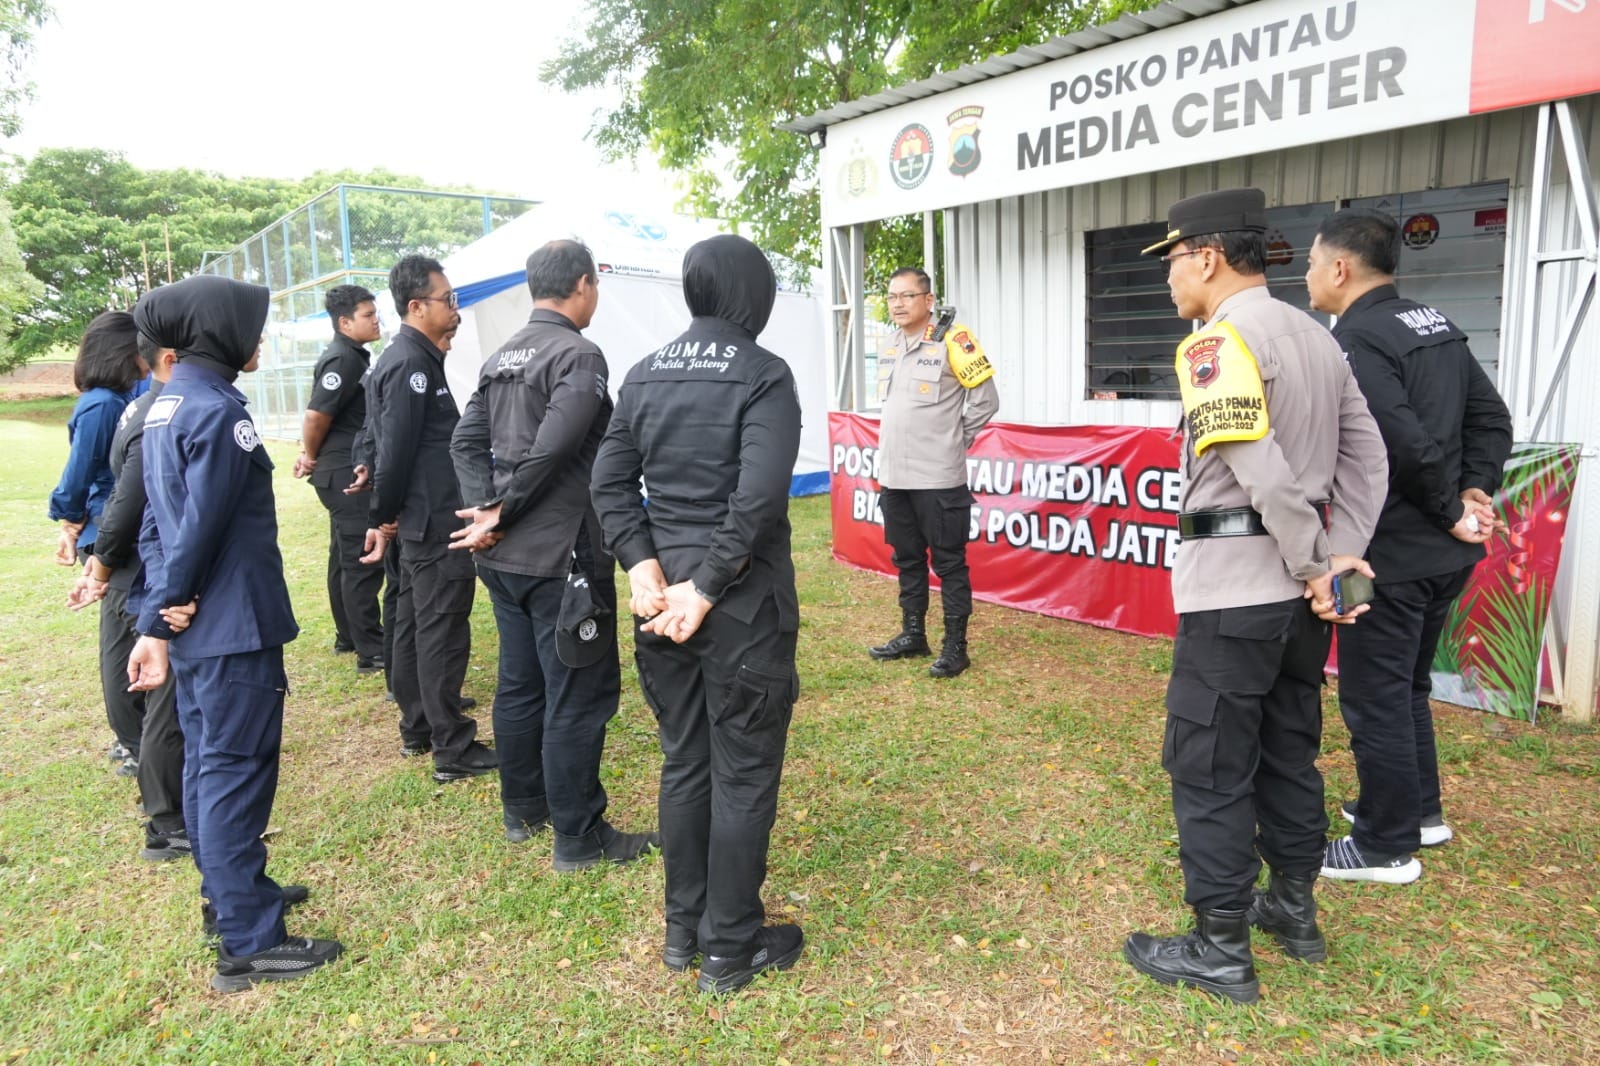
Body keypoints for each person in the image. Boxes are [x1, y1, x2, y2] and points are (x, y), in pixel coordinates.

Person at [1121, 188, 1387, 1004]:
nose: (1168, 278)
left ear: (1205, 256)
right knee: (1286, 748)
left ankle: (1219, 946)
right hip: (1302, 602)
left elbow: (1255, 463)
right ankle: (1293, 910)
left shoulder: (1214, 344)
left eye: (1171, 260)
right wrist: (1341, 557)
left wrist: (1314, 562)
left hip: (1238, 589)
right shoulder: (1318, 335)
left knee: (1207, 764)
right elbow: (1368, 456)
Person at [591, 234, 804, 994]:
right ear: (753, 294)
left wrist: (646, 567)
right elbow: (757, 497)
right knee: (741, 772)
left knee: (686, 758)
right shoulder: (763, 374)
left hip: (662, 601)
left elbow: (609, 483)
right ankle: (729, 948)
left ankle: (684, 933)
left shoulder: (645, 373)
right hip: (737, 606)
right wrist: (706, 585)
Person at [127, 275, 341, 991]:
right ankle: (251, 943)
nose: (260, 342)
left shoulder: (165, 404)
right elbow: (202, 521)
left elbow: (157, 523)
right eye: (253, 328)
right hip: (229, 622)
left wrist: (164, 602)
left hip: (199, 623)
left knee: (205, 766)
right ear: (222, 332)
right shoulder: (218, 412)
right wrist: (173, 599)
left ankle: (232, 900)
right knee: (234, 770)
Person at [1305, 208, 1513, 883]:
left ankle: (1384, 845)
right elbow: (1492, 418)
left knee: (1374, 695)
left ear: (1340, 268)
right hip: (1445, 558)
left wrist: (1456, 505)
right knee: (1408, 687)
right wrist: (1477, 491)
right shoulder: (1434, 324)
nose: (1307, 276)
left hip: (1382, 555)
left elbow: (1398, 441)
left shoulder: (1358, 339)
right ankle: (1418, 811)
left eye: (1310, 263)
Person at [450, 239, 657, 867]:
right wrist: (500, 509)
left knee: (520, 682)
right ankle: (579, 834)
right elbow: (555, 447)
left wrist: (486, 509)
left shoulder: (500, 355)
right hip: (562, 558)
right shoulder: (578, 354)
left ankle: (524, 810)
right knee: (576, 692)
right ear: (584, 285)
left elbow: (465, 441)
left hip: (503, 555)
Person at [362, 254, 494, 782]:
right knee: (440, 629)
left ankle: (419, 724)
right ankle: (452, 747)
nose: (455, 309)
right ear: (417, 307)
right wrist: (383, 515)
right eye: (448, 300)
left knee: (417, 625)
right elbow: (393, 453)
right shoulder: (410, 365)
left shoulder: (411, 358)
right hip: (432, 521)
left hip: (422, 518)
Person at [67, 331, 188, 862]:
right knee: (162, 687)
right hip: (137, 560)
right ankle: (168, 818)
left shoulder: (136, 406)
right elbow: (128, 497)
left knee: (125, 666)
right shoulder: (154, 410)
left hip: (121, 558)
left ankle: (151, 782)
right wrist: (102, 561)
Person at [867, 267, 998, 678]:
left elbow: (985, 401)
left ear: (928, 300)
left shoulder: (955, 341)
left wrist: (954, 441)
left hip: (938, 478)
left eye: (907, 296)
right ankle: (913, 635)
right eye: (892, 297)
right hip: (894, 476)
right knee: (906, 559)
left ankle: (955, 647)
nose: (898, 304)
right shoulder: (889, 344)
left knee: (949, 563)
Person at [48, 312, 147, 772]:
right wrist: (68, 522)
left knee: (133, 633)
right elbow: (77, 477)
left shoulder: (130, 394)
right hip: (111, 531)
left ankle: (136, 733)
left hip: (121, 526)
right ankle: (133, 742)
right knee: (123, 640)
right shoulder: (102, 404)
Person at [293, 284, 386, 675]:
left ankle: (348, 636)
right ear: (345, 323)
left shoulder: (351, 355)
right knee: (361, 561)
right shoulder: (344, 359)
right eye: (368, 314)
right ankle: (371, 649)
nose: (376, 319)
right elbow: (317, 415)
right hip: (345, 472)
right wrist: (309, 455)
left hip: (340, 469)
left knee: (343, 559)